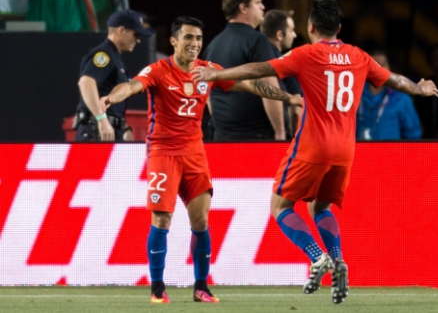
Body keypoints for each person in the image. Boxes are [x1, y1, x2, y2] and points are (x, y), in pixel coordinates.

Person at [191, 0, 438, 304]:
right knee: (320, 208)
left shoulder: (306, 54)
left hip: (312, 145)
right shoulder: (358, 55)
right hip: (345, 150)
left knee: (280, 206)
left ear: (311, 27)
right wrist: (419, 87)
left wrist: (217, 74)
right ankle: (337, 261)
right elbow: (393, 80)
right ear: (339, 27)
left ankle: (316, 255)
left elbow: (259, 69)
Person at [99, 16, 301, 304]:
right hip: (163, 152)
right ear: (174, 41)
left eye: (198, 39)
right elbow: (132, 86)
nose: (194, 44)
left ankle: (201, 287)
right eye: (188, 38)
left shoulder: (209, 72)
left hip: (195, 153)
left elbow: (252, 86)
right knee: (162, 218)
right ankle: (157, 288)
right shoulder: (158, 71)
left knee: (201, 220)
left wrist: (288, 97)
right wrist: (111, 98)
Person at [203, 0, 285, 141]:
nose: (263, 7)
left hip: (220, 137)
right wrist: (280, 133)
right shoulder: (257, 40)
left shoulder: (213, 44)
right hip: (254, 138)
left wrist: (222, 124)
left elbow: (205, 89)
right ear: (243, 8)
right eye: (258, 2)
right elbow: (269, 88)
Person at [74, 9, 153, 141]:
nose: (138, 40)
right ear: (121, 30)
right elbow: (86, 82)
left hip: (109, 131)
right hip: (96, 132)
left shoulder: (115, 57)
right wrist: (102, 120)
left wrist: (124, 127)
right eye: (136, 34)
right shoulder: (104, 55)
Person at [356, 50, 422, 140]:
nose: (380, 68)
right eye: (376, 64)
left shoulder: (402, 99)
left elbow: (414, 135)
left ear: (389, 68)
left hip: (389, 153)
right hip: (356, 152)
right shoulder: (353, 95)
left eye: (384, 64)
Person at [260, 9, 303, 139]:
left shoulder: (252, 58)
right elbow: (296, 111)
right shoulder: (285, 64)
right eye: (291, 30)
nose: (294, 35)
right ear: (279, 35)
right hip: (278, 140)